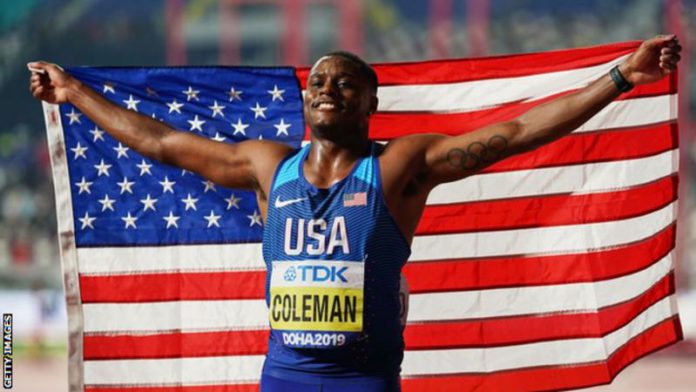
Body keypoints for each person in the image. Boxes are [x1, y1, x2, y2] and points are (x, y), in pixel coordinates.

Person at [29, 35, 681, 391]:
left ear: (371, 99)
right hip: (281, 381)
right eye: (317, 81)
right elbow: (163, 143)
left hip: (363, 386)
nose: (325, 89)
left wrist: (619, 78)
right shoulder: (267, 166)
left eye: (343, 81)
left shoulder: (398, 167)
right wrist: (75, 93)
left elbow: (514, 134)